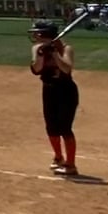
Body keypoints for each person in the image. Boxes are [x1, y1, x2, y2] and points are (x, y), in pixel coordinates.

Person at [29, 21, 78, 177]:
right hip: (49, 89)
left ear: (45, 34)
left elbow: (66, 68)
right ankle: (58, 157)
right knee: (51, 127)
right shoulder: (37, 48)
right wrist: (41, 54)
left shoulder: (66, 48)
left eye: (37, 32)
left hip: (66, 90)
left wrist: (55, 54)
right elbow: (36, 69)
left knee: (65, 128)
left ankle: (71, 165)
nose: (34, 35)